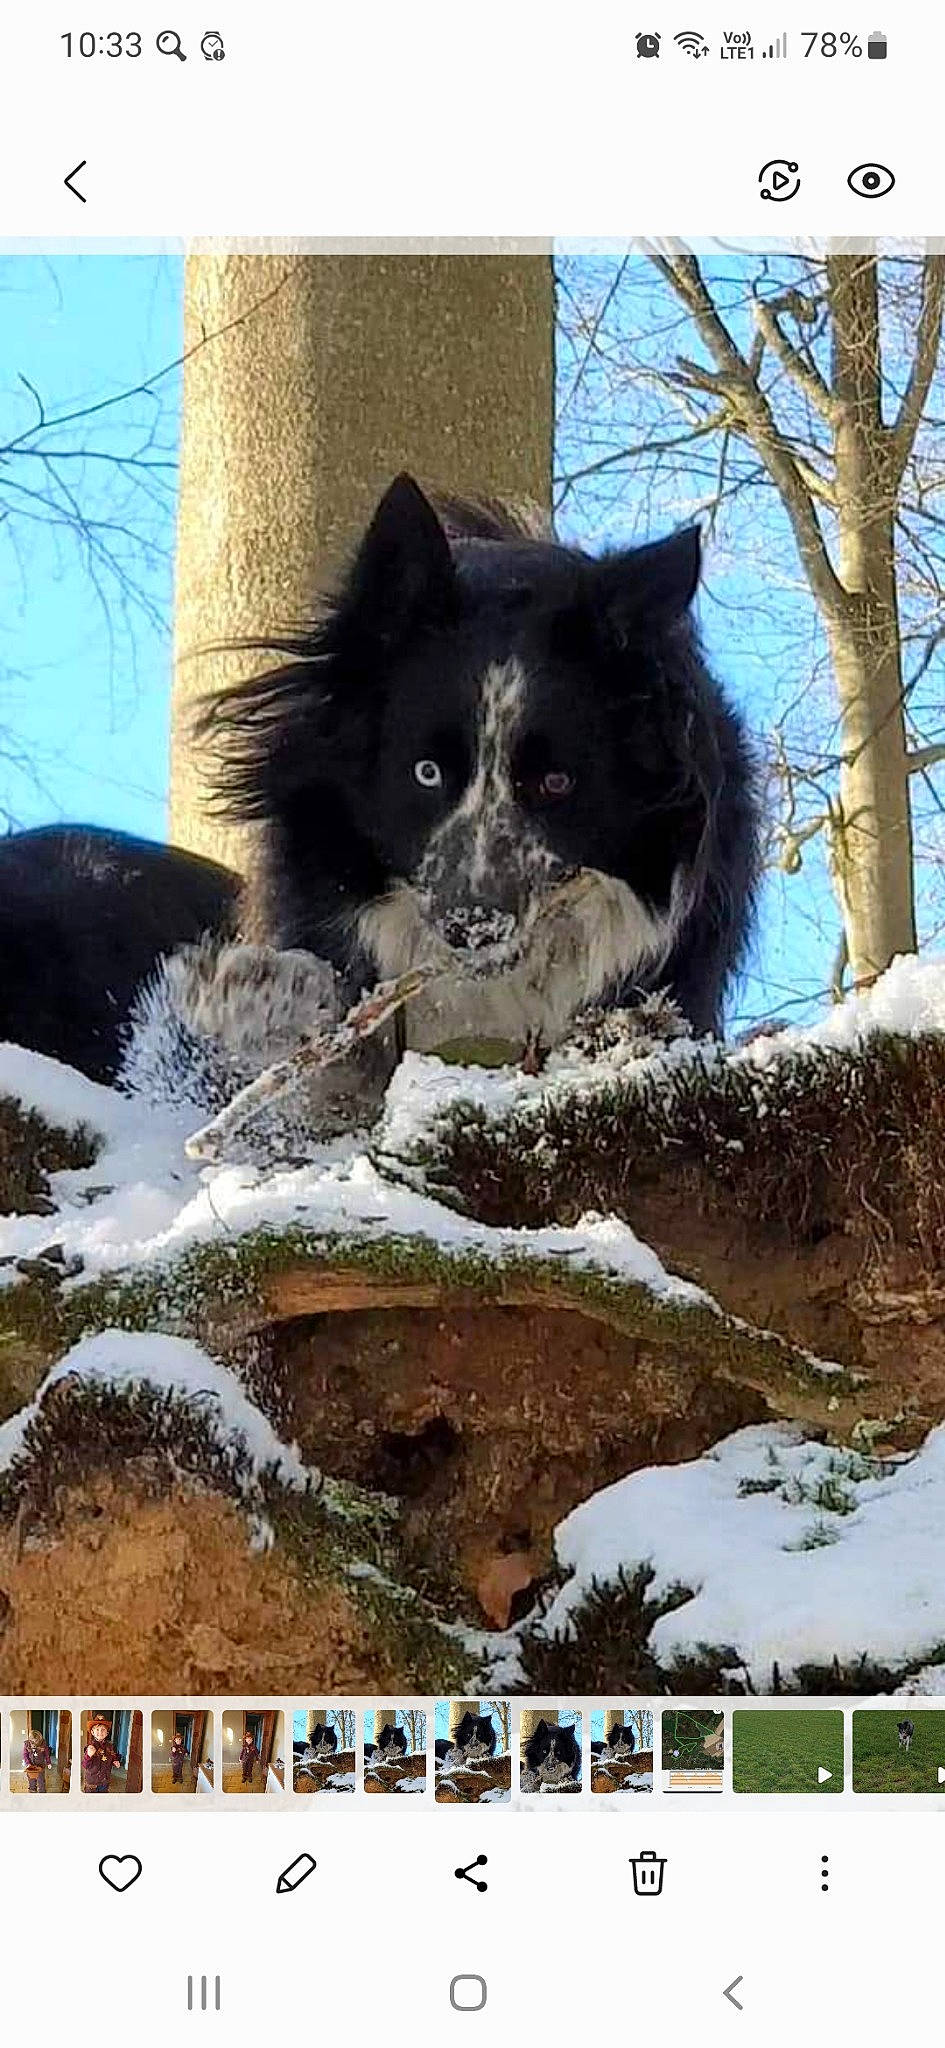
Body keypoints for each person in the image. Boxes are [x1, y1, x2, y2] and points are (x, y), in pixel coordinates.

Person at [83, 1713, 121, 1793]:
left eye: (103, 1729)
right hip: (92, 1783)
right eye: (97, 1729)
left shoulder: (110, 1746)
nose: (100, 1732)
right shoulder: (90, 1747)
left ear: (107, 1733)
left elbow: (113, 1756)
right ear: (92, 1732)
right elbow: (85, 1765)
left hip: (105, 1781)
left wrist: (115, 1761)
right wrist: (89, 1756)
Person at [23, 1725, 52, 1794]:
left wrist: (48, 1762)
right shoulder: (26, 1744)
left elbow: (47, 1754)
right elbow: (25, 1754)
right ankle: (32, 1789)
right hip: (30, 1765)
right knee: (31, 1778)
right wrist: (27, 1763)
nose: (35, 1743)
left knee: (41, 1779)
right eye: (33, 1741)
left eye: (37, 1741)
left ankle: (42, 1790)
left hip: (40, 1764)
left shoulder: (43, 1743)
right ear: (30, 1740)